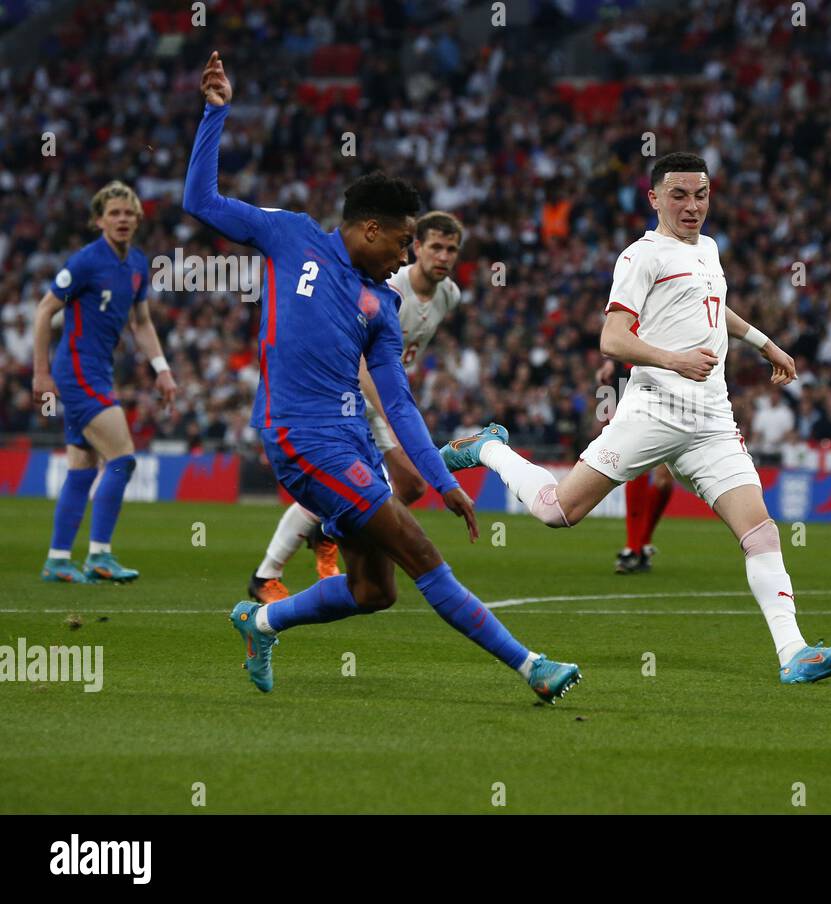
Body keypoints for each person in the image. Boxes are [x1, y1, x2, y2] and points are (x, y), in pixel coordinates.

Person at [185, 52, 579, 702]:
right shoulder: (290, 237)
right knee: (421, 554)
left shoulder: (382, 306)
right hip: (300, 437)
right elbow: (199, 201)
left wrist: (443, 479)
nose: (405, 256)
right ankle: (531, 667)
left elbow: (398, 402)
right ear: (370, 229)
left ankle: (259, 621)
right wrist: (215, 113)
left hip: (354, 441)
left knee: (375, 592)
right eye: (400, 243)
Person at [439, 152, 831, 684]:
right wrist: (673, 358)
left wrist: (765, 344)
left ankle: (794, 652)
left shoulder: (708, 248)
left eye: (701, 194)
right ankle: (489, 448)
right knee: (556, 512)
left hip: (711, 417)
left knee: (761, 533)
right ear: (654, 198)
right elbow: (611, 338)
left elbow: (715, 302)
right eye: (679, 195)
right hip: (655, 409)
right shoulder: (641, 256)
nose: (692, 206)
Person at [248, 211, 467, 603]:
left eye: (452, 249)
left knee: (402, 487)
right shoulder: (387, 281)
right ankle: (271, 570)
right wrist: (387, 407)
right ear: (415, 247)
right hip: (352, 392)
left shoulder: (449, 294)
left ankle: (329, 532)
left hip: (382, 395)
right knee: (384, 485)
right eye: (435, 246)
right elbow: (363, 356)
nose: (443, 256)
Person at [33, 181, 177, 583]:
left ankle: (58, 559)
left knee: (82, 467)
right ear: (99, 220)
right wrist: (41, 372)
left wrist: (162, 368)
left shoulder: (136, 265)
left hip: (98, 371)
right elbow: (45, 311)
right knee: (123, 459)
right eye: (114, 213)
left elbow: (142, 322)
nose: (123, 220)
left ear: (138, 220)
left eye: (129, 213)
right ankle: (99, 555)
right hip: (77, 370)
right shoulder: (84, 262)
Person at [596, 358, 675, 574]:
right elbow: (619, 325)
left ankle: (642, 543)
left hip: (674, 380)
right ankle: (633, 548)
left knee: (664, 480)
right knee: (637, 466)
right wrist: (611, 360)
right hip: (635, 380)